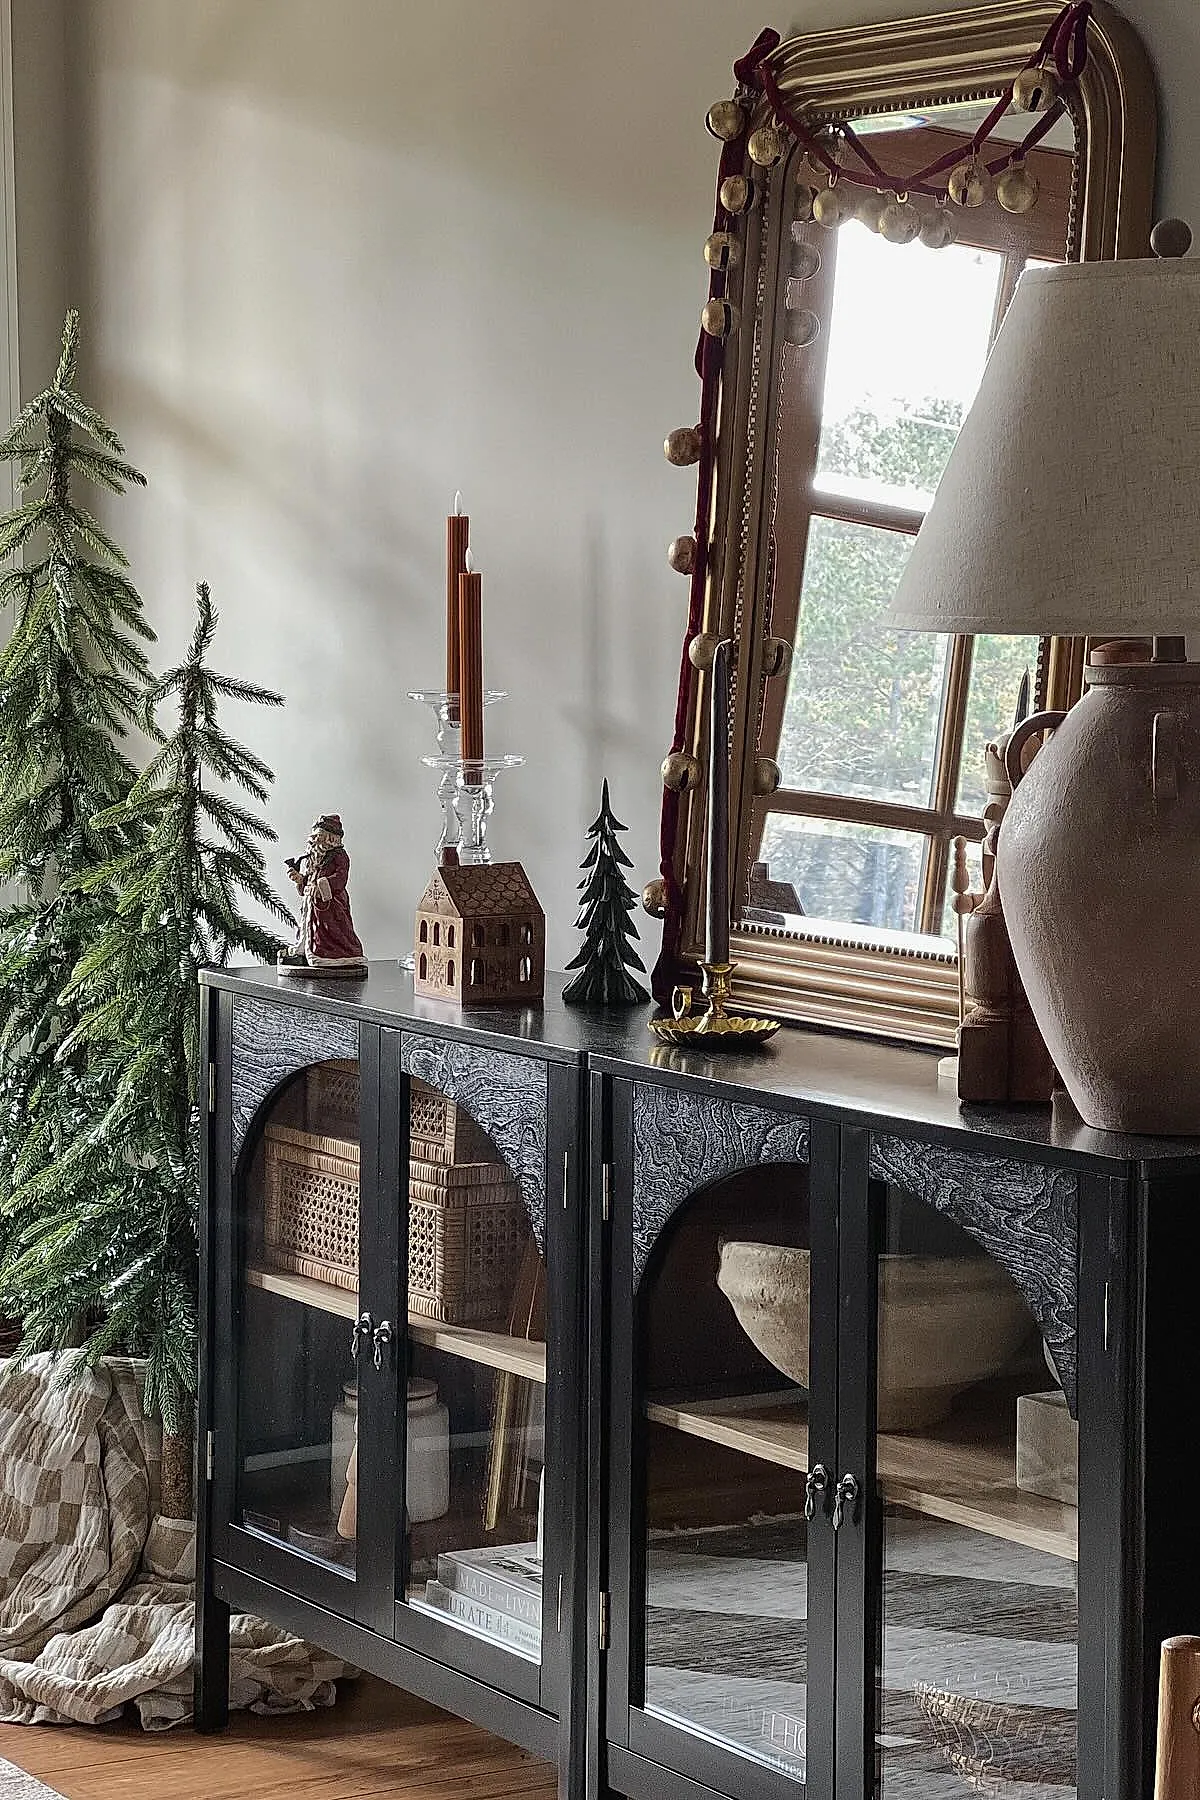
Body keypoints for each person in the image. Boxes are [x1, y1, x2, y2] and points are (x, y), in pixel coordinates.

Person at [278, 814, 368, 976]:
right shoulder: (313, 857)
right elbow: (310, 878)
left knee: (331, 930)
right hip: (311, 903)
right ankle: (305, 950)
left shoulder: (339, 856)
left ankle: (332, 954)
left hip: (330, 903)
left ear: (330, 838)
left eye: (319, 837)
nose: (314, 841)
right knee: (308, 926)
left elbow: (340, 878)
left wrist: (321, 886)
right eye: (314, 837)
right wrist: (301, 879)